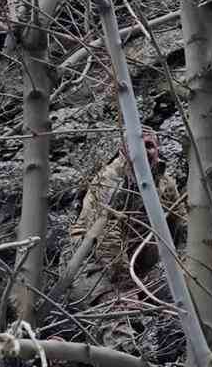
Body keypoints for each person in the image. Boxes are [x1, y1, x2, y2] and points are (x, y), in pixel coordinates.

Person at [67, 127, 184, 334]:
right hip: (92, 262)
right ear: (123, 149)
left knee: (179, 308)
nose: (143, 151)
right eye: (136, 145)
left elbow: (181, 224)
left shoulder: (165, 183)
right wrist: (128, 288)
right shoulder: (110, 181)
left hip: (137, 264)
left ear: (157, 149)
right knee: (118, 320)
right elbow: (107, 241)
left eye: (149, 146)